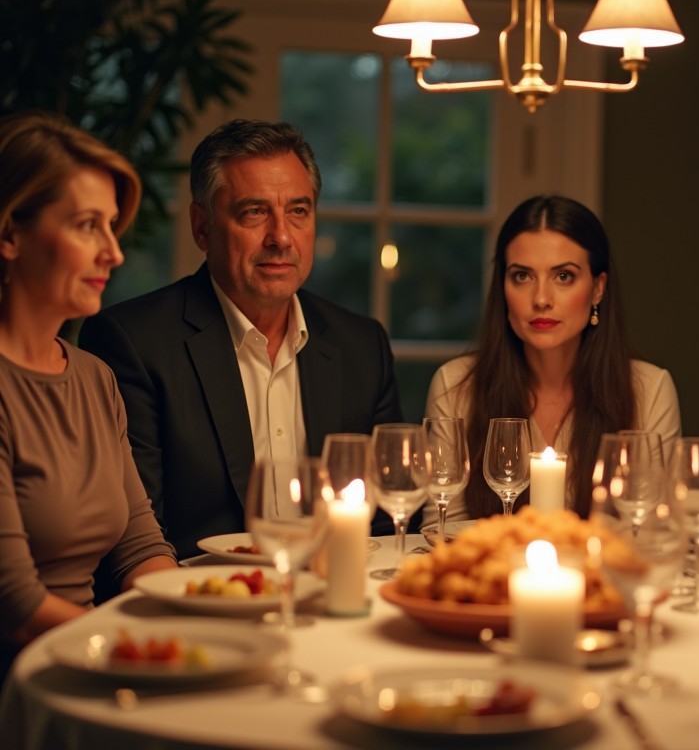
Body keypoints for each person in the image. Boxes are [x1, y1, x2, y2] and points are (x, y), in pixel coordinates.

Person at [78, 119, 404, 560]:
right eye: (254, 212)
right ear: (201, 227)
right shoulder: (134, 342)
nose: (281, 237)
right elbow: (135, 537)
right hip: (202, 603)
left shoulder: (361, 345)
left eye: (298, 211)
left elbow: (388, 523)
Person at [0, 112, 177, 676]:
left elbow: (139, 545)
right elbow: (19, 609)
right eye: (86, 226)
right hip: (25, 685)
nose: (113, 252)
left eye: (111, 226)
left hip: (94, 659)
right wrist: (147, 647)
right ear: (9, 234)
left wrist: (198, 614)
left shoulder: (94, 377)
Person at [422, 194, 680, 525]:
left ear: (598, 288)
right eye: (522, 276)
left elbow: (653, 532)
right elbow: (442, 528)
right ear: (502, 287)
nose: (541, 299)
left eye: (563, 277)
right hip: (495, 575)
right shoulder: (457, 385)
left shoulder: (649, 389)